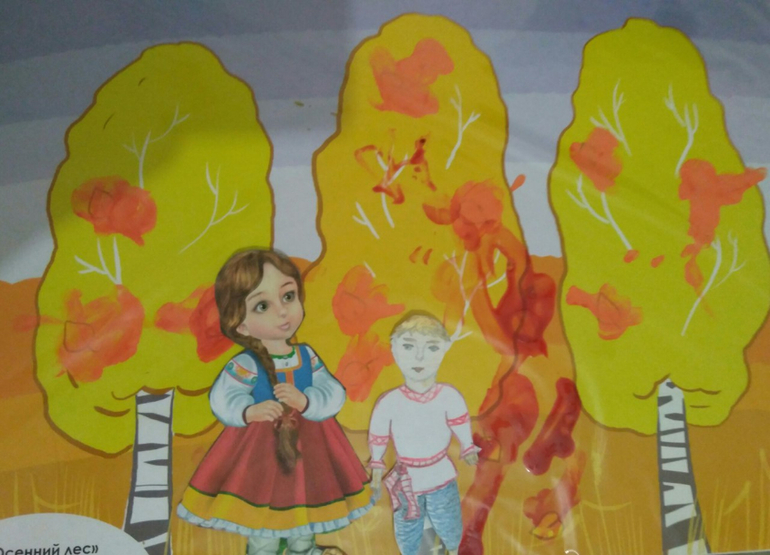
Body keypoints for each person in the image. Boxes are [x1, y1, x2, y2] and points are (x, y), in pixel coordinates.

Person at [177, 249, 373, 555]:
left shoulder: (306, 355)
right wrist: (249, 411)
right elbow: (223, 397)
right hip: (260, 453)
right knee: (263, 516)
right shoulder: (247, 363)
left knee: (305, 505)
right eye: (263, 305)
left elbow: (333, 391)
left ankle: (302, 549)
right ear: (240, 324)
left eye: (288, 296)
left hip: (311, 449)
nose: (282, 311)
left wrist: (307, 401)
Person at [368, 312, 479, 555]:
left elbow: (460, 421)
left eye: (431, 348)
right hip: (407, 477)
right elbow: (378, 435)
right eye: (408, 346)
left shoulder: (448, 396)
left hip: (440, 474)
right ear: (394, 349)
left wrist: (467, 446)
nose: (419, 357)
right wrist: (376, 470)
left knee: (449, 524)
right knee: (408, 531)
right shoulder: (390, 402)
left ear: (444, 349)